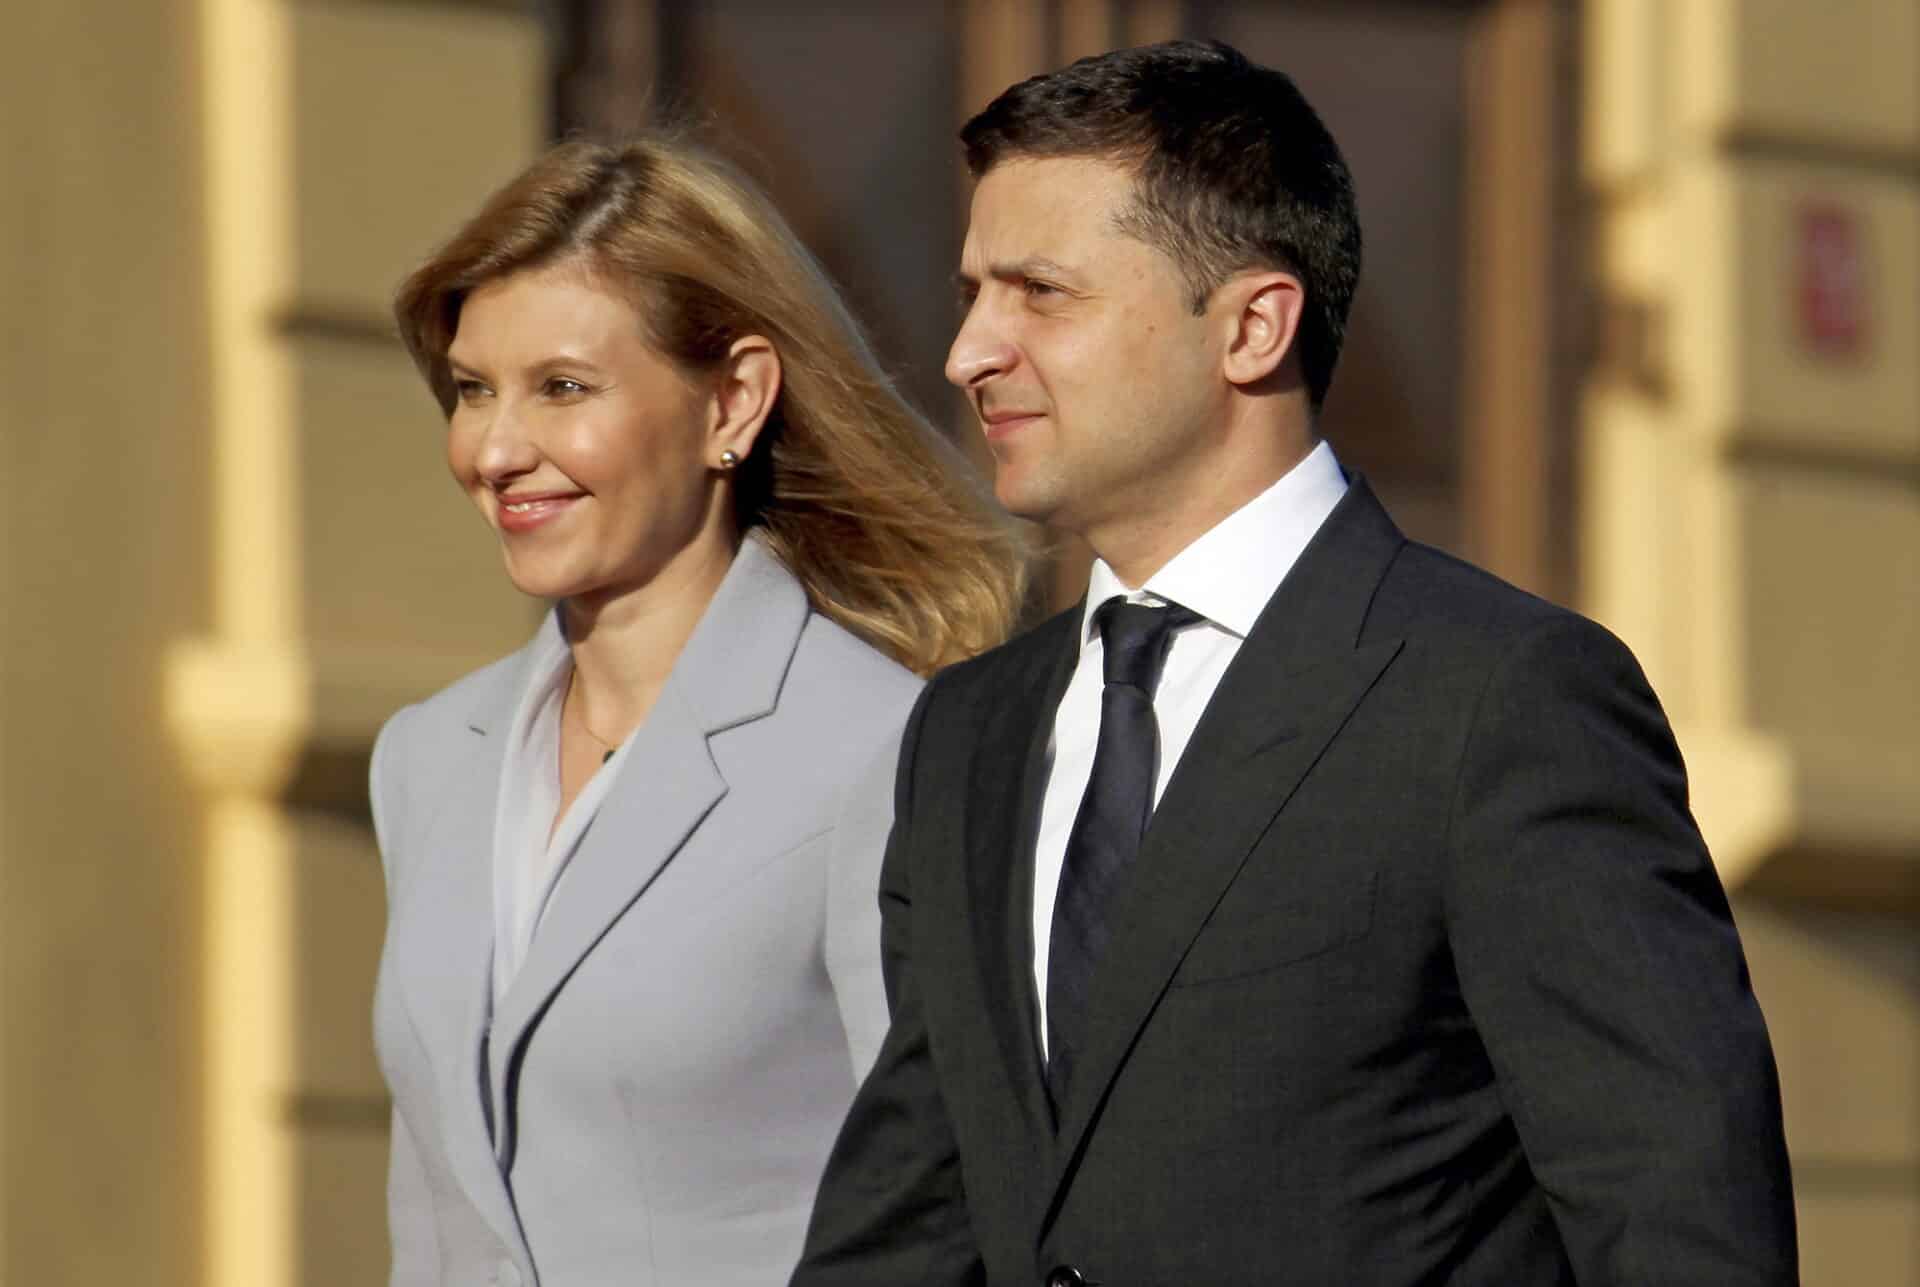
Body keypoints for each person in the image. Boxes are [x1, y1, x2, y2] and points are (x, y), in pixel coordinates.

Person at [795, 40, 1797, 1287]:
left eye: (1039, 293)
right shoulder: (969, 735)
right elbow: (910, 1224)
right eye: (971, 295)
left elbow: (1680, 1225)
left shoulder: (1499, 702)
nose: (969, 352)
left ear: (1253, 326)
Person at [371, 135, 1026, 1287]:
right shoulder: (424, 757)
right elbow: (432, 1212)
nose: (496, 450)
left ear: (734, 400)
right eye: (474, 390)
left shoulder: (885, 756)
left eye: (563, 387)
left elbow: (947, 1218)